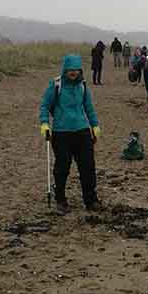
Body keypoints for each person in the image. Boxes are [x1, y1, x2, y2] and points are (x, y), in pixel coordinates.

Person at [39, 55, 102, 215]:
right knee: (62, 167)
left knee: (87, 167)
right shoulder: (56, 85)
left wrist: (95, 125)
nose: (73, 72)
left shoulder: (83, 86)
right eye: (70, 70)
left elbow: (89, 108)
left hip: (82, 131)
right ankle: (60, 199)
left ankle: (91, 200)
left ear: (80, 70)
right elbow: (45, 106)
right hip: (61, 133)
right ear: (65, 70)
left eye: (76, 69)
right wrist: (44, 124)